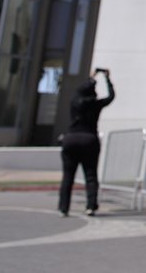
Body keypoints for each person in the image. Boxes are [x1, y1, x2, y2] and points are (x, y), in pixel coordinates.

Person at [59, 68, 115, 217]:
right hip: (89, 139)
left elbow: (82, 89)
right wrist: (107, 79)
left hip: (71, 139)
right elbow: (111, 96)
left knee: (68, 177)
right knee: (90, 175)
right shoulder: (95, 104)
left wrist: (91, 77)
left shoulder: (75, 102)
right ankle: (91, 206)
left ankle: (63, 208)